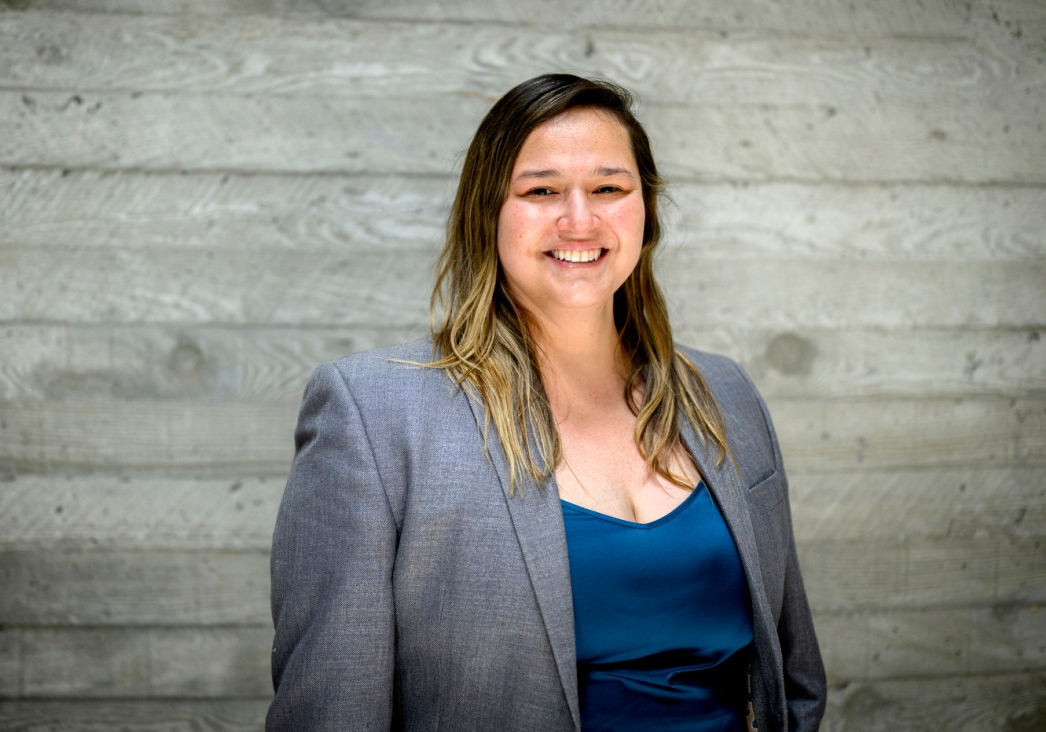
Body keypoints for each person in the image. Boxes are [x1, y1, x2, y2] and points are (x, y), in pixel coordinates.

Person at [268, 73, 825, 731]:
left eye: (610, 188)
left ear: (645, 211)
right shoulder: (375, 414)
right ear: (488, 213)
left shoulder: (725, 394)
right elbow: (333, 713)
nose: (580, 219)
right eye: (541, 191)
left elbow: (793, 678)